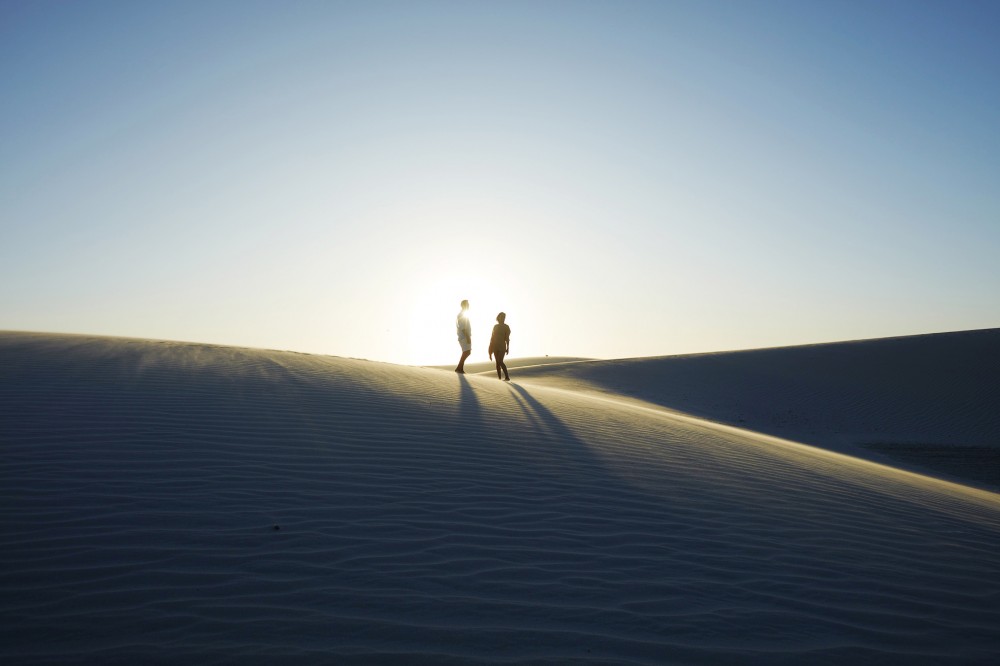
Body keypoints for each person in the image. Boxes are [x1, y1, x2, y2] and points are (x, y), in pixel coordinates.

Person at [489, 312, 511, 381]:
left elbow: (507, 338)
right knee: (497, 363)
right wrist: (490, 349)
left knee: (500, 361)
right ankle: (499, 379)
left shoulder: (506, 327)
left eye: (504, 317)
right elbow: (492, 338)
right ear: (498, 317)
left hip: (502, 346)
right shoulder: (495, 326)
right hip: (495, 346)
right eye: (501, 317)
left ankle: (507, 377)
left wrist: (508, 348)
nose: (503, 318)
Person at [455, 300, 472, 373]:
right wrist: (467, 337)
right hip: (464, 336)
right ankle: (459, 368)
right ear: (463, 305)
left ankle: (460, 368)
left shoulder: (463, 314)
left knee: (467, 352)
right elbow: (462, 327)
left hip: (465, 336)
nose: (468, 306)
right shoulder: (461, 314)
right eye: (467, 304)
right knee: (466, 352)